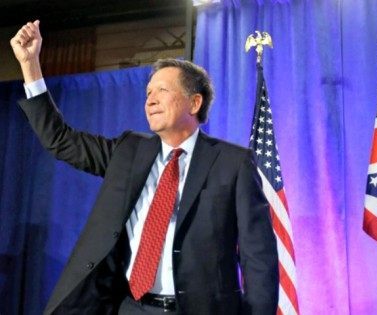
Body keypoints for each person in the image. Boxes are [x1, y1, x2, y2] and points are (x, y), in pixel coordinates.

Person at [10, 20, 278, 315]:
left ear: (194, 102)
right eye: (148, 92)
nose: (150, 100)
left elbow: (259, 260)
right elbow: (60, 140)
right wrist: (30, 65)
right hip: (130, 307)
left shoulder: (233, 163)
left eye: (162, 90)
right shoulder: (129, 150)